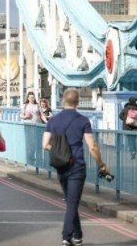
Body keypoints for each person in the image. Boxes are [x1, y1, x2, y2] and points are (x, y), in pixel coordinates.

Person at [42, 89, 109, 246]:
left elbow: (45, 144)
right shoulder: (83, 121)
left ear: (63, 101)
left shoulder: (53, 121)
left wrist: (60, 152)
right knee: (72, 202)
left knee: (71, 202)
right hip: (77, 166)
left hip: (61, 166)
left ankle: (77, 236)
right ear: (78, 102)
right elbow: (92, 147)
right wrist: (101, 165)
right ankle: (66, 237)